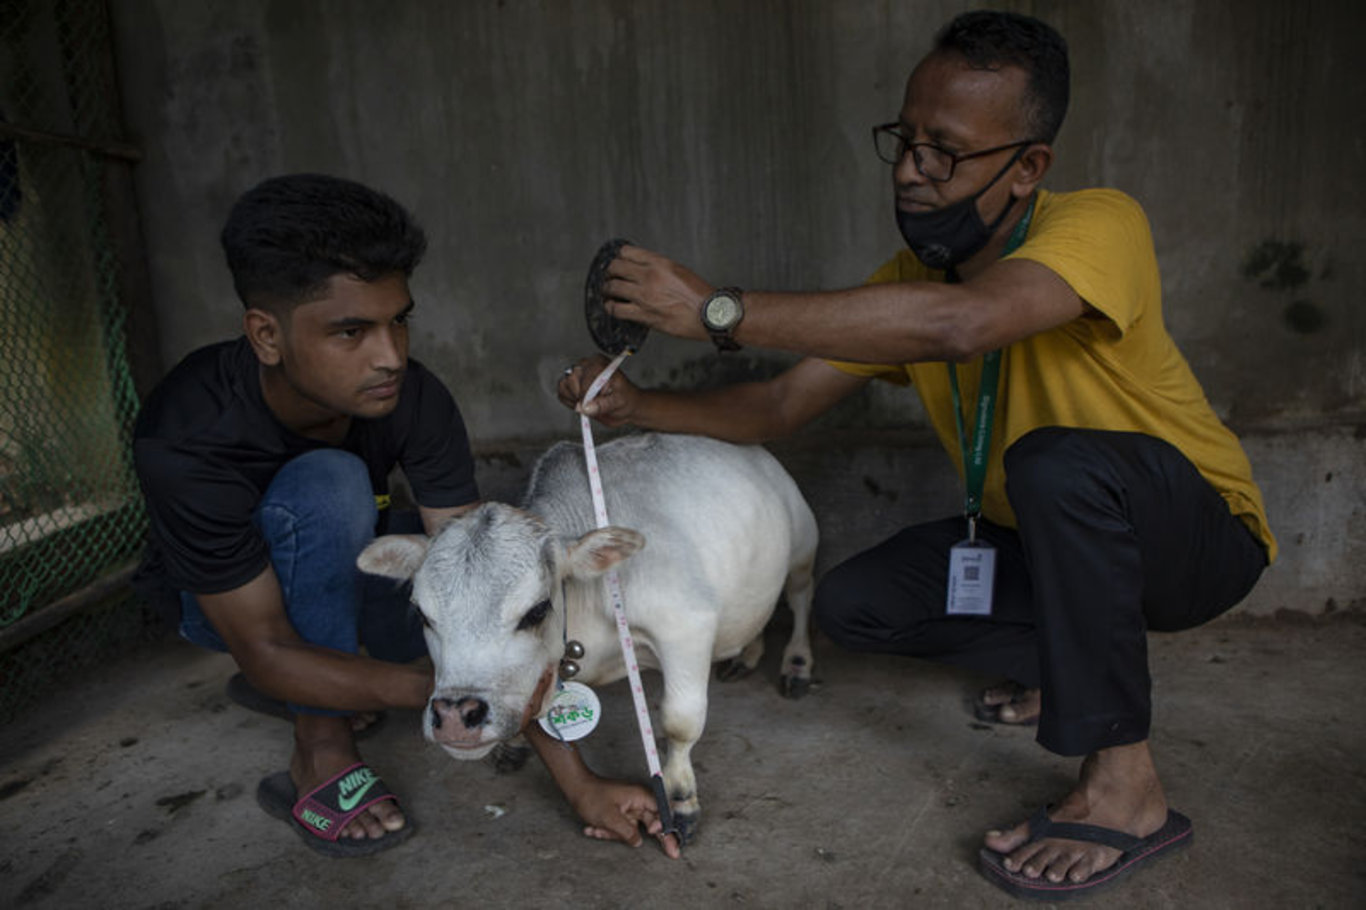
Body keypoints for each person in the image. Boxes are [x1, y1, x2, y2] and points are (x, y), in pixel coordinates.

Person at [558, 10, 1272, 898]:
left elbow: (965, 325)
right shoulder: (905, 286)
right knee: (859, 604)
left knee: (1056, 462)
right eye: (904, 139)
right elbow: (782, 403)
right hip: (1053, 546)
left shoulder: (1098, 225)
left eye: (945, 151)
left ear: (1028, 168)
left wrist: (719, 309)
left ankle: (1127, 793)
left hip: (1197, 540)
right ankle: (1078, 671)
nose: (909, 171)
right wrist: (641, 404)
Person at [133, 173, 679, 859]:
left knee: (446, 607)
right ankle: (320, 744)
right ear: (266, 335)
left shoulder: (414, 397)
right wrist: (458, 694)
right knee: (330, 486)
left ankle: (331, 670)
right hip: (232, 612)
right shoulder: (185, 431)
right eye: (351, 330)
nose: (390, 354)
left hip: (351, 582)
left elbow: (484, 572)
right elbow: (264, 646)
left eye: (400, 320)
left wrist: (578, 782)